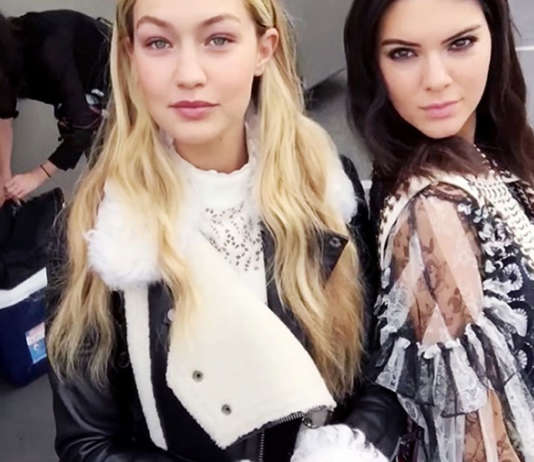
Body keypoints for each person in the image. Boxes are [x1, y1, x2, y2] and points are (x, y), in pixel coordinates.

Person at [45, 0, 405, 461]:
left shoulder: (326, 189)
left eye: (218, 39)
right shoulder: (94, 230)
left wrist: (345, 449)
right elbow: (88, 443)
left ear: (264, 49)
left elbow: (380, 366)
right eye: (159, 42)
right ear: (131, 56)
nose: (188, 74)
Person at [345, 0, 534, 460]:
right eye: (403, 53)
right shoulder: (434, 214)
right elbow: (477, 444)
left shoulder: (491, 152)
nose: (436, 79)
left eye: (460, 43)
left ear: (495, 39)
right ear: (372, 65)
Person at [0, 9, 110, 205]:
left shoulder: (49, 47)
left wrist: (36, 176)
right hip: (84, 102)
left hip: (118, 81)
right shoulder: (7, 63)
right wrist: (5, 181)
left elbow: (83, 128)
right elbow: (4, 118)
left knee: (116, 178)